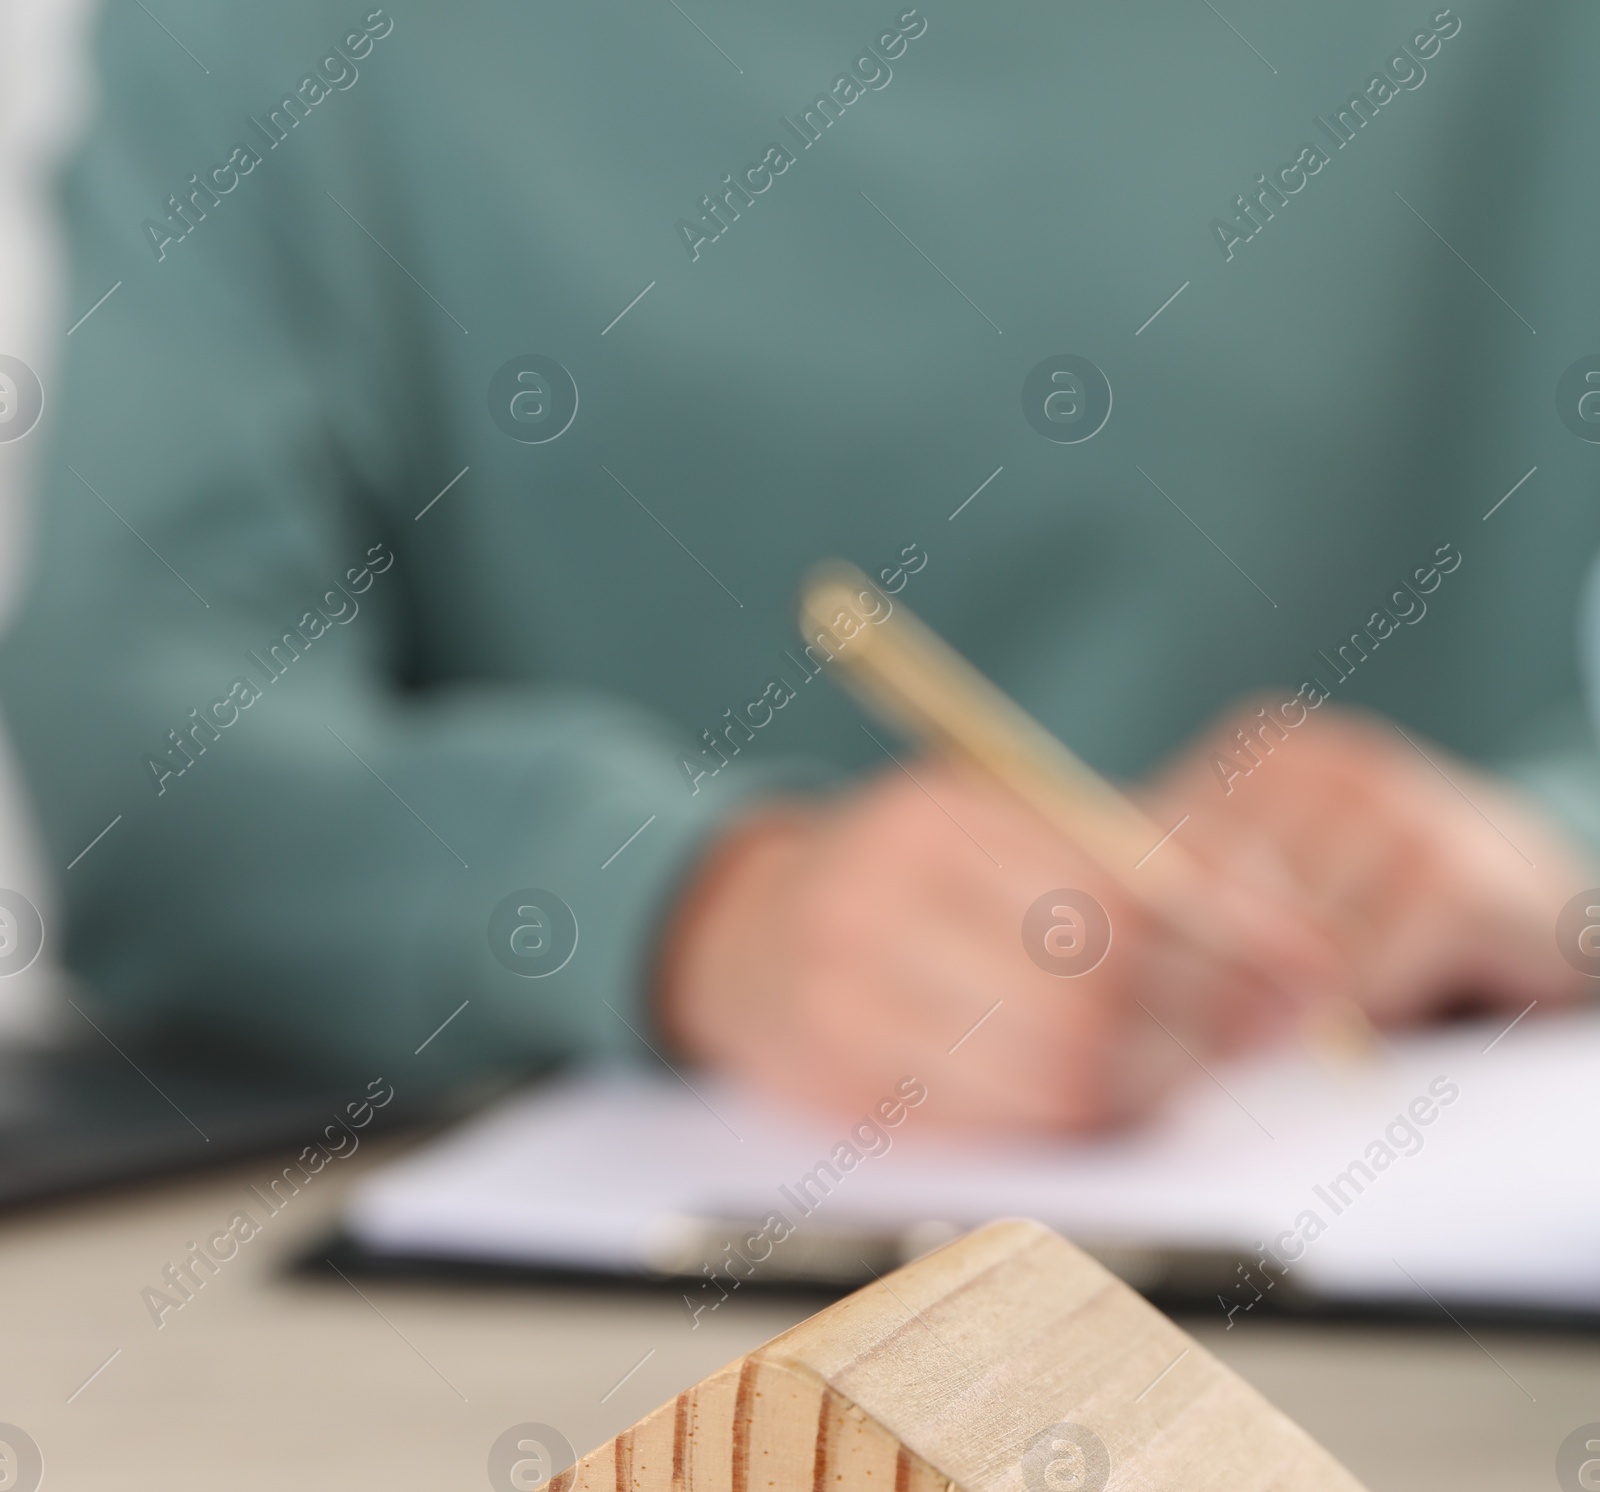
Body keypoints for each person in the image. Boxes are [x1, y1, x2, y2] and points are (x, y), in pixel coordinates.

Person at [1, 0, 1595, 1135]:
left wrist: (1550, 857)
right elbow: (153, 749)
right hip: (517, 1343)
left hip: (1402, 1285)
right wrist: (682, 915)